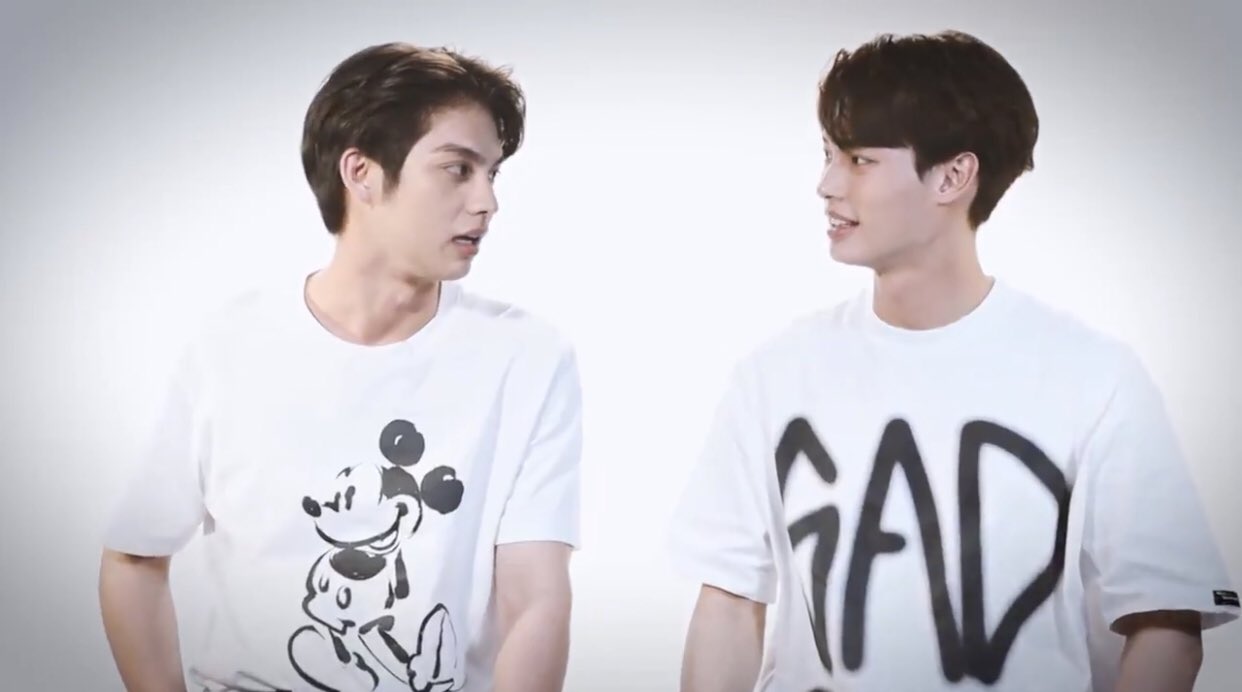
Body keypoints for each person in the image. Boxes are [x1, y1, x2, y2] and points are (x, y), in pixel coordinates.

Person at [670, 30, 1238, 692]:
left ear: (953, 176)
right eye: (827, 154)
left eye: (859, 160)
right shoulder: (771, 376)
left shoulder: (1095, 377)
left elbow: (1165, 625)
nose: (826, 184)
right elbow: (729, 601)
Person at [99, 42, 581, 692]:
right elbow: (134, 558)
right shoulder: (233, 346)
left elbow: (536, 601)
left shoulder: (526, 357)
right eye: (458, 169)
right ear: (362, 173)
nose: (487, 201)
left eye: (492, 173)